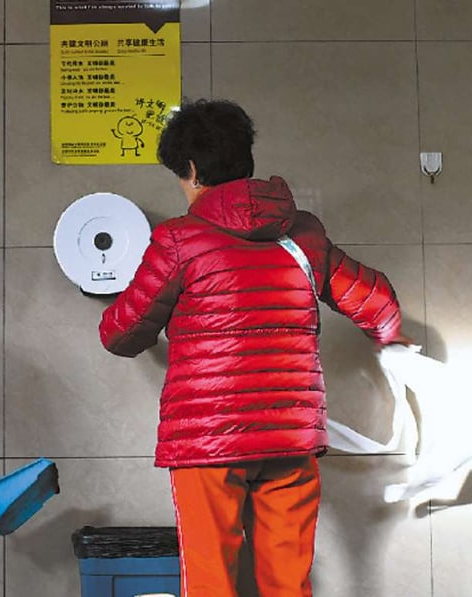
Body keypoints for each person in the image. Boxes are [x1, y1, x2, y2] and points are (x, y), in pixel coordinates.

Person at [99, 99, 410, 596]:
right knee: (288, 583)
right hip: (289, 437)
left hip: (207, 444)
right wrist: (391, 335)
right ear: (246, 159)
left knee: (210, 582)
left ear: (194, 170)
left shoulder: (180, 239)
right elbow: (379, 305)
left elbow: (121, 334)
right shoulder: (303, 235)